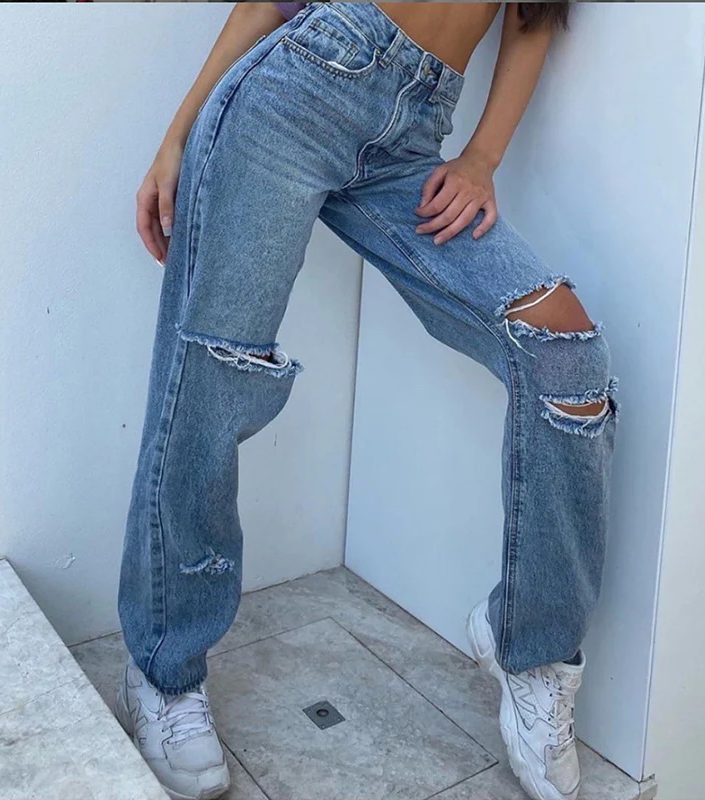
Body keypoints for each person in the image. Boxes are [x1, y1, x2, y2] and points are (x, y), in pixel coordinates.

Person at [114, 3, 620, 799]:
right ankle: (162, 669)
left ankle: (532, 648)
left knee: (565, 353)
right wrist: (176, 136)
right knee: (211, 377)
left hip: (414, 132)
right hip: (296, 92)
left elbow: (533, 17)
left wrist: (482, 157)